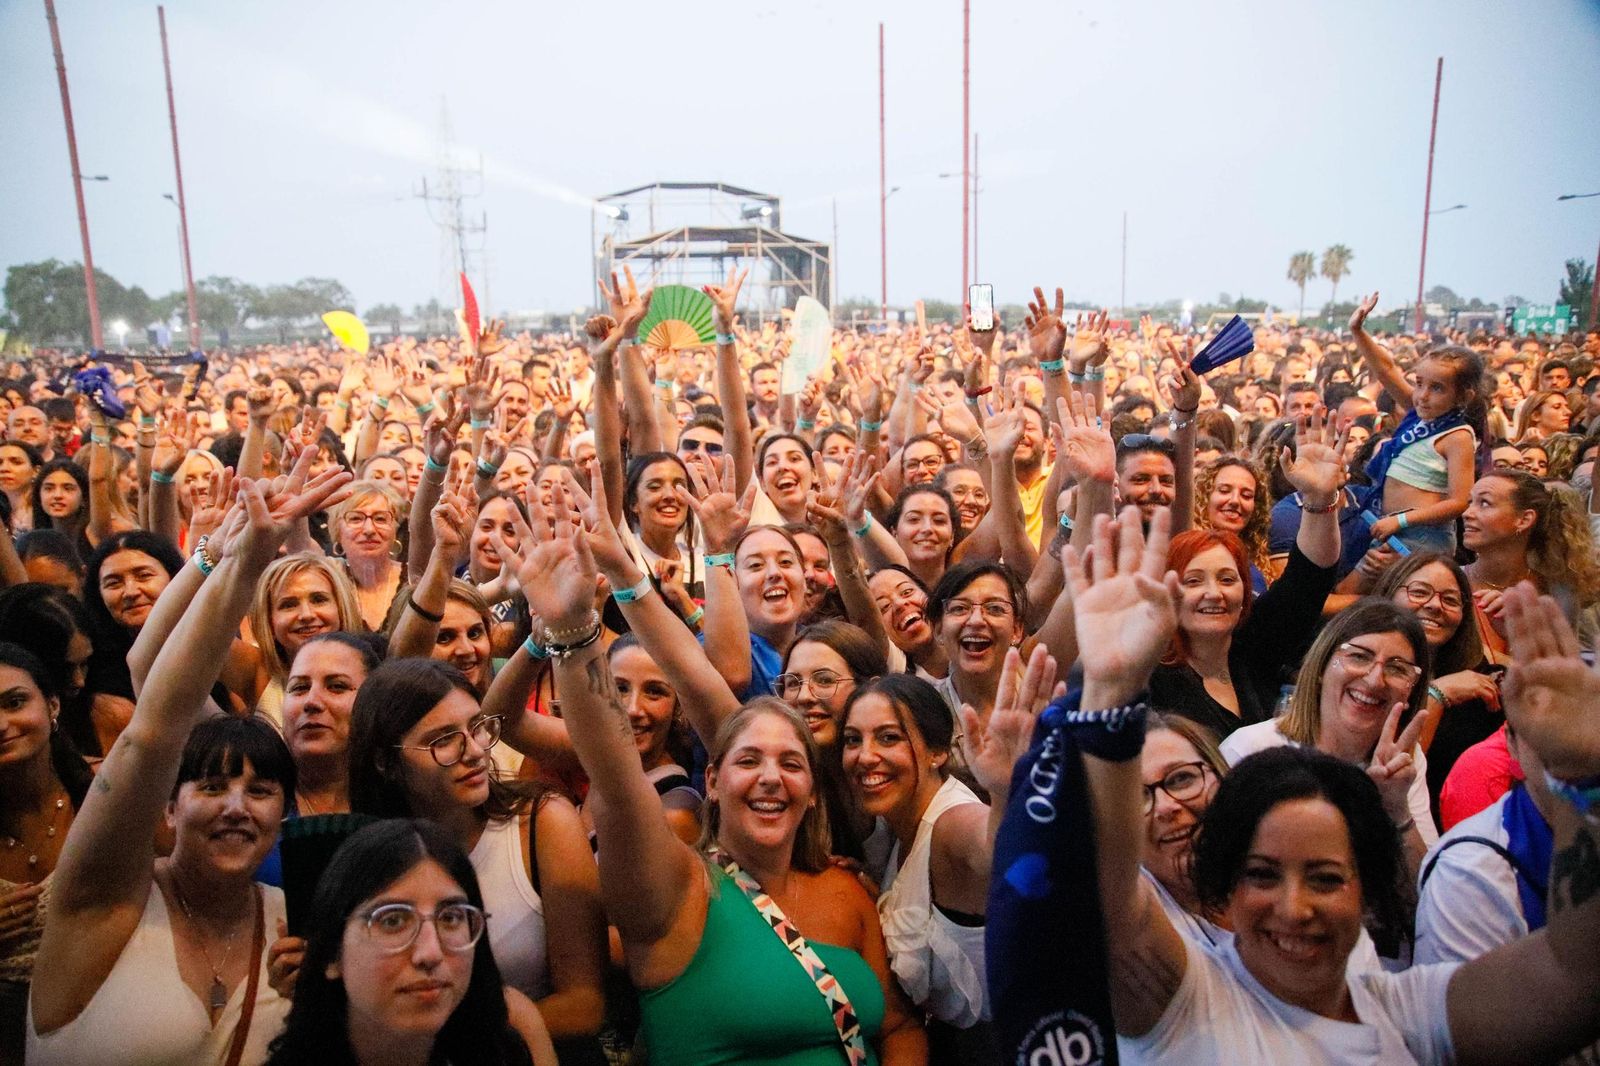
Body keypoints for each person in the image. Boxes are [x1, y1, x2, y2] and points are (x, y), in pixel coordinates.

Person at [1064, 507, 1600, 1064]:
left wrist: (1578, 777)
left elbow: (1574, 972)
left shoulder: (1409, 1012)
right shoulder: (1187, 999)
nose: (1295, 908)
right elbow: (1109, 892)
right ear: (1227, 880)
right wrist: (1111, 690)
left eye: (1324, 879)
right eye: (1262, 875)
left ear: (1362, 886)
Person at [492, 493, 927, 1065]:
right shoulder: (676, 890)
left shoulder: (849, 890)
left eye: (790, 764)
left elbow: (896, 1026)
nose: (771, 777)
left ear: (814, 790)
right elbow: (622, 779)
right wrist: (573, 635)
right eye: (748, 761)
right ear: (714, 782)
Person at [28, 463, 348, 1065]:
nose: (235, 806)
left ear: (285, 811)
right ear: (168, 806)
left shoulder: (297, 924)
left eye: (260, 792)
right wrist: (235, 564)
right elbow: (153, 727)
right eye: (210, 785)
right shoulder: (107, 899)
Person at [345, 658, 608, 1048]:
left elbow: (586, 1006)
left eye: (477, 728)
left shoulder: (541, 823)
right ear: (385, 762)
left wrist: (450, 1034)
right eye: (444, 740)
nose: (473, 752)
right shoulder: (362, 856)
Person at [262, 818, 556, 1066]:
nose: (430, 953)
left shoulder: (505, 1054)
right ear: (331, 954)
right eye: (392, 921)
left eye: (451, 917)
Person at [1149, 408, 1346, 738]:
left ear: (1245, 593)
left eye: (1228, 579)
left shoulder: (1254, 646)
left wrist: (1319, 499)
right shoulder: (1149, 674)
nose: (1214, 593)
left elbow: (1309, 578)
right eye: (1194, 581)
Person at [1220, 599, 1442, 873]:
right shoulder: (1250, 749)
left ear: (1411, 689)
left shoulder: (1402, 761)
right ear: (1322, 666)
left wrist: (1397, 810)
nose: (1374, 680)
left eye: (1397, 668)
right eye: (1359, 656)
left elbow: (1428, 891)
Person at [0, 643, 95, 1061]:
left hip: (104, 1021)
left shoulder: (104, 796)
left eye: (15, 702)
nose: (1, 724)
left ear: (53, 705)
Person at [1368, 552, 1502, 819]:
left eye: (1450, 600)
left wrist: (1516, 637)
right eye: (1419, 592)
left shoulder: (1479, 683)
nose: (1435, 605)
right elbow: (1393, 773)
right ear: (1389, 594)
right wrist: (1437, 693)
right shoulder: (1365, 675)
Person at [1349, 293, 1481, 552]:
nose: (1422, 395)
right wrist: (1358, 331)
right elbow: (1386, 370)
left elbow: (1459, 501)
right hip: (1390, 527)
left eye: (1437, 388)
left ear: (1464, 396)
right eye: (1419, 383)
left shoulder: (1457, 436)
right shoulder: (1418, 412)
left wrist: (1400, 520)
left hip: (1422, 536)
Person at [1461, 469, 1600, 656]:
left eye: (1484, 503)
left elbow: (1563, 673)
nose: (1467, 513)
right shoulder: (1451, 582)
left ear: (1524, 519)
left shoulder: (1558, 592)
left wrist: (1518, 640)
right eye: (1470, 502)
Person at [330, 481, 409, 631]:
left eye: (380, 518)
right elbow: (301, 547)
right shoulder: (328, 578)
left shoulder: (415, 578)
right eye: (355, 519)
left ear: (395, 529)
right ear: (337, 530)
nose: (369, 529)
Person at [1192, 456, 1273, 592]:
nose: (1235, 501)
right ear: (1204, 496)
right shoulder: (1189, 552)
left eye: (1246, 495)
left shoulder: (1255, 561)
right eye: (1224, 491)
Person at [0, 441, 41, 537]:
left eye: (16, 462)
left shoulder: (48, 510)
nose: (4, 469)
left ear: (36, 471)